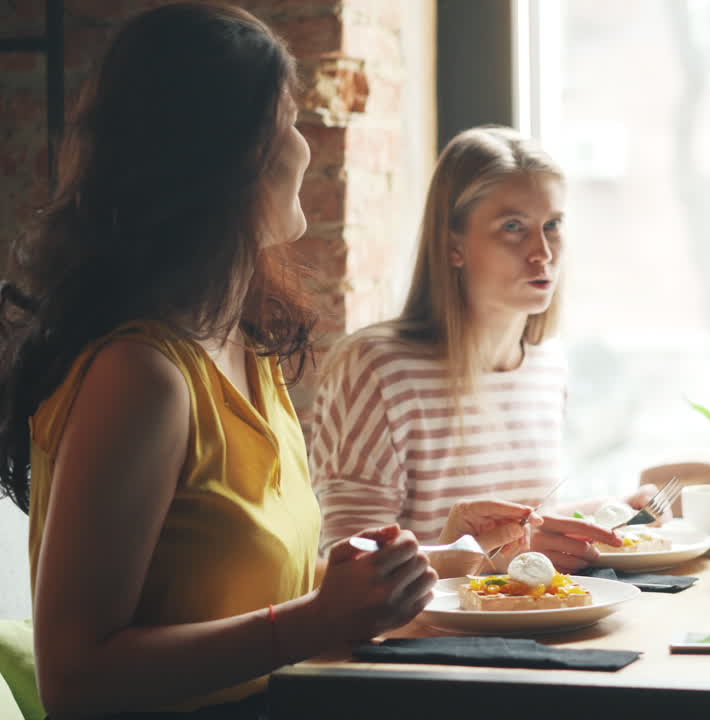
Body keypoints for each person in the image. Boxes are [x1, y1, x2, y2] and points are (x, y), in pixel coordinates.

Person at [0, 5, 531, 716]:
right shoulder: (141, 376)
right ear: (226, 158)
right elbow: (73, 680)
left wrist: (432, 562)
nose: (306, 149)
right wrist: (316, 621)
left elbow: (245, 593)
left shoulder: (246, 349)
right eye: (286, 123)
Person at [310, 126, 656, 572]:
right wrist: (485, 560)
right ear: (453, 246)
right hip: (424, 637)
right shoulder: (377, 369)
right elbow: (351, 564)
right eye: (513, 227)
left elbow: (523, 522)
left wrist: (613, 511)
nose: (542, 252)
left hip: (532, 626)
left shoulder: (547, 365)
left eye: (552, 225)